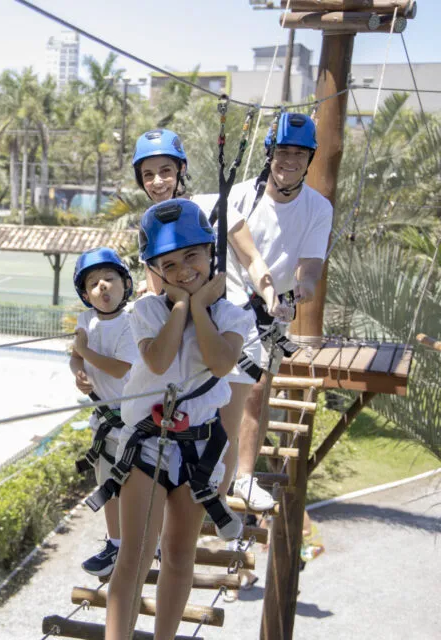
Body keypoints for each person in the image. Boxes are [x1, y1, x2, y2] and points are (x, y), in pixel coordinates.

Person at [105, 199, 250, 640]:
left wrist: (202, 307)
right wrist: (186, 305)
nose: (184, 269)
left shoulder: (231, 315)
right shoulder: (146, 312)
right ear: (154, 271)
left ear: (210, 255)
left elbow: (222, 363)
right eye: (170, 263)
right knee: (134, 554)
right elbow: (161, 358)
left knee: (179, 553)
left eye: (193, 256)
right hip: (149, 443)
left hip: (198, 450)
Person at [131, 128, 282, 507]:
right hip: (188, 336)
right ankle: (188, 512)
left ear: (181, 169)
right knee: (192, 428)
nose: (158, 182)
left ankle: (221, 498)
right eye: (148, 175)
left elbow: (250, 257)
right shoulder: (151, 224)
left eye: (165, 170)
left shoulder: (217, 204)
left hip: (229, 325)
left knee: (224, 430)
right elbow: (158, 287)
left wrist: (269, 294)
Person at [226, 112, 333, 511]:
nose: (290, 161)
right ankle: (211, 471)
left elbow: (311, 263)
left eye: (299, 154)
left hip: (270, 309)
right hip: (228, 301)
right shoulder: (239, 196)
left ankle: (244, 477)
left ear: (310, 160)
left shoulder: (317, 208)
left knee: (256, 392)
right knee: (212, 389)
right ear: (269, 153)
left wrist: (303, 287)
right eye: (283, 151)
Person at [69, 247, 138, 577]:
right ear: (85, 294)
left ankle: (145, 541)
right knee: (108, 484)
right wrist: (78, 371)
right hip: (104, 419)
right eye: (94, 284)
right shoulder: (85, 320)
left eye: (110, 279)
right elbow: (77, 355)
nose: (103, 287)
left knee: (139, 484)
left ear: (125, 284)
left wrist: (85, 353)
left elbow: (118, 367)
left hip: (135, 419)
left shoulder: (131, 322)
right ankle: (116, 543)